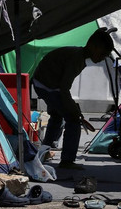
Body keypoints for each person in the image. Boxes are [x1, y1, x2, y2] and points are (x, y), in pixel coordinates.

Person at [32, 28, 114, 170]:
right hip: (47, 85)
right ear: (94, 47)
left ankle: (43, 153)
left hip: (43, 83)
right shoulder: (77, 58)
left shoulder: (78, 55)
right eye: (103, 54)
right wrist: (75, 112)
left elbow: (63, 90)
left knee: (57, 116)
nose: (102, 58)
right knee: (73, 120)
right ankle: (67, 160)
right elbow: (64, 90)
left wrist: (72, 107)